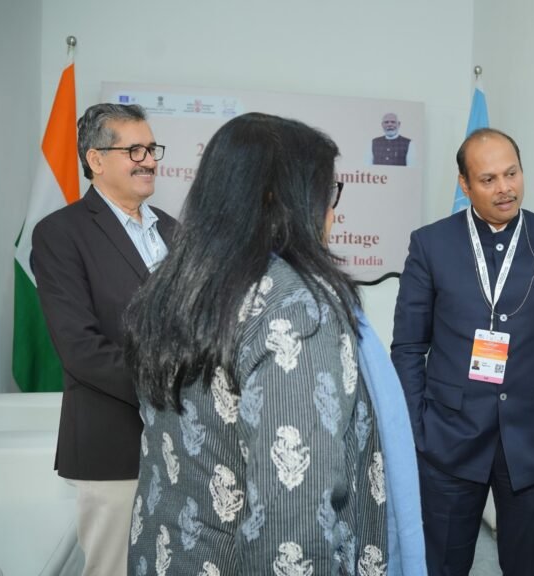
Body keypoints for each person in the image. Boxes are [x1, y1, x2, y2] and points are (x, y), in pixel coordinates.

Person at [123, 113, 425, 575]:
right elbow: (294, 514)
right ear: (281, 202)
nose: (332, 212)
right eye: (326, 193)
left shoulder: (171, 285)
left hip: (165, 553)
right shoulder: (294, 306)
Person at [391, 127, 534, 575]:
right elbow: (408, 345)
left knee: (523, 567)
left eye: (511, 173)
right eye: (488, 179)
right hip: (447, 437)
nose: (505, 188)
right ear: (464, 185)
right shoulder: (430, 244)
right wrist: (416, 425)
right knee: (443, 565)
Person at [29, 103, 176, 576]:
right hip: (114, 446)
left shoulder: (173, 229)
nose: (149, 160)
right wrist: (170, 391)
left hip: (186, 445)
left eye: (151, 149)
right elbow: (81, 349)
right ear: (95, 159)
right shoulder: (61, 233)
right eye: (135, 150)